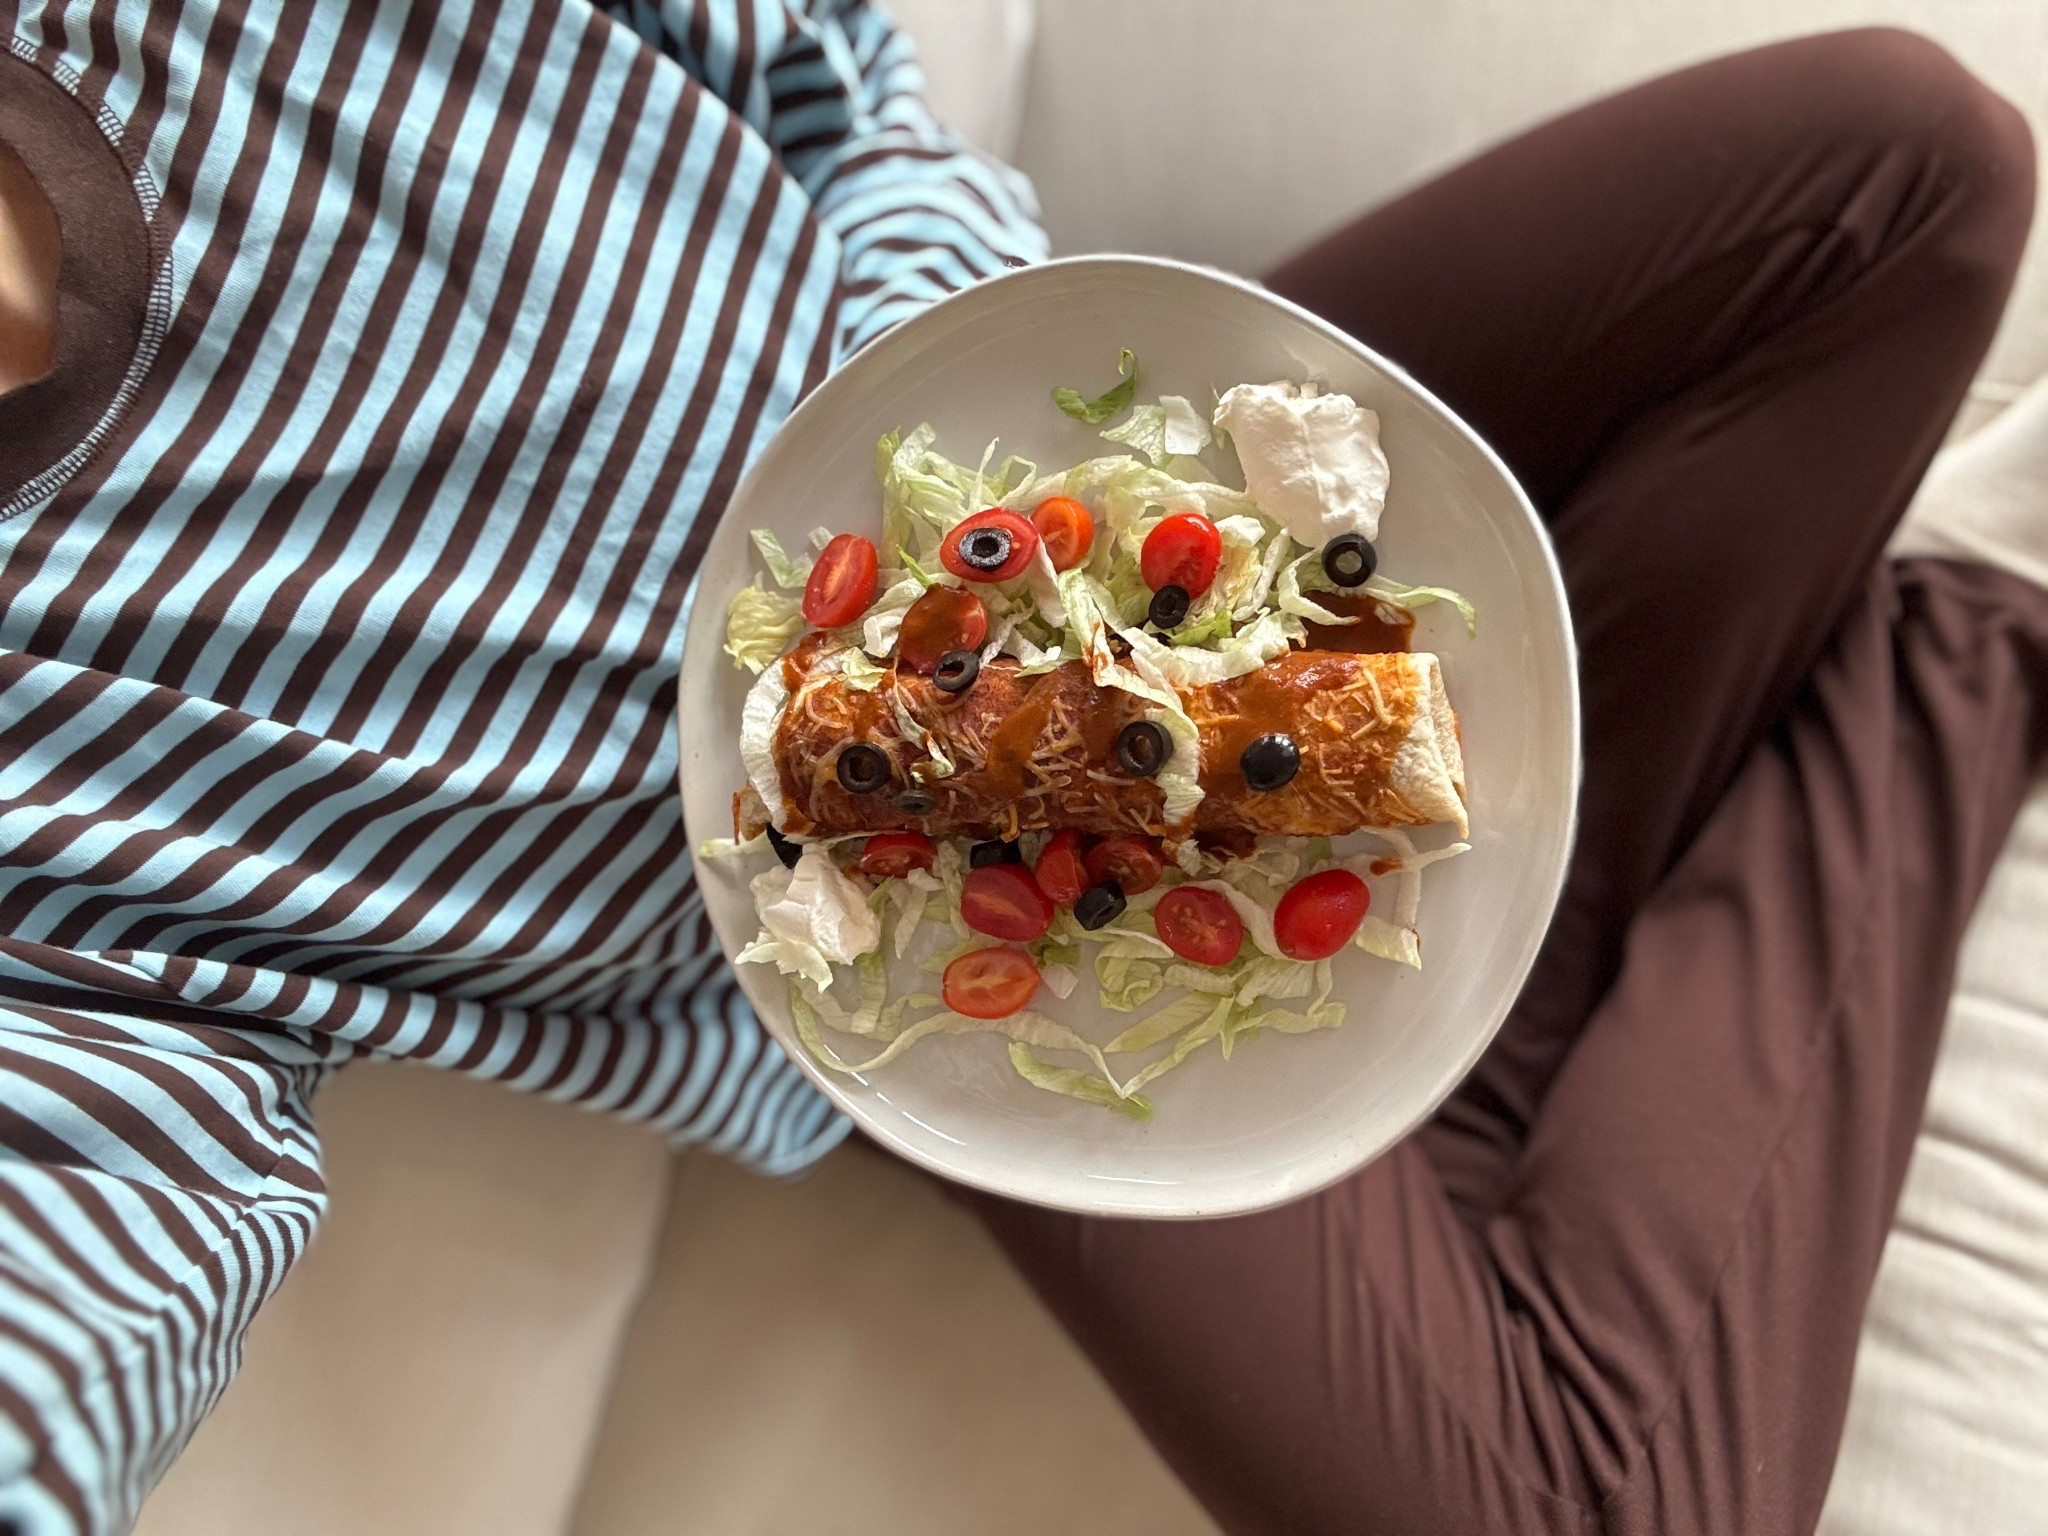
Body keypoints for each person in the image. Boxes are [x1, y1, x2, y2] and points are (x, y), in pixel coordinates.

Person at [969, 27, 2048, 1536]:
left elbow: (834, 101)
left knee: (1922, 165)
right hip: (929, 906)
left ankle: (1940, 649)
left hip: (987, 480)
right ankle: (1971, 635)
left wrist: (937, 360)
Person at [0, 4, 1040, 1531]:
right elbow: (73, 1264)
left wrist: (934, 413)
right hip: (925, 1021)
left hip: (1092, 460)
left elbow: (839, 87)